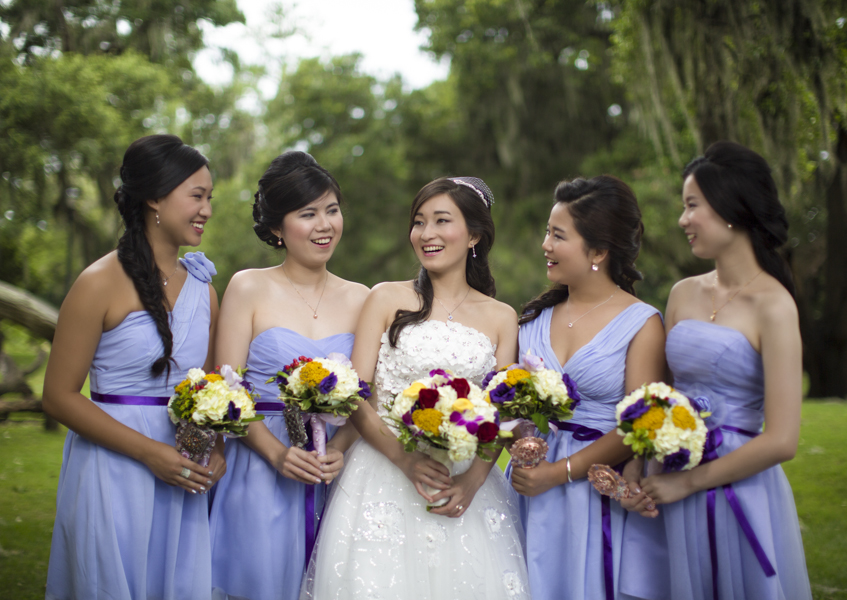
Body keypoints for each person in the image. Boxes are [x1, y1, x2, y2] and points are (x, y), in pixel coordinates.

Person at [300, 177, 530, 599]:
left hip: (463, 482)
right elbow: (355, 393)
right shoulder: (386, 298)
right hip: (382, 472)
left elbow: (504, 413)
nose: (427, 234)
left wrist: (473, 482)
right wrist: (404, 459)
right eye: (419, 222)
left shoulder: (501, 316)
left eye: (442, 221)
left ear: (475, 234)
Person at [620, 141, 812, 600]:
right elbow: (660, 395)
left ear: (731, 209)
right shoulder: (683, 293)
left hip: (733, 485)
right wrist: (637, 463)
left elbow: (783, 439)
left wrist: (687, 483)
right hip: (666, 471)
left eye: (693, 206)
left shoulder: (775, 306)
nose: (683, 219)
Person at [43, 134, 220, 600]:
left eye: (209, 198)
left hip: (183, 469)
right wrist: (147, 452)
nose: (206, 209)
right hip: (112, 467)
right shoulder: (98, 283)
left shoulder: (204, 289)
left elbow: (210, 388)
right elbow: (58, 396)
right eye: (196, 196)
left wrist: (216, 447)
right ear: (155, 198)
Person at [208, 151, 367, 600]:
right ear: (277, 227)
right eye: (308, 214)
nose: (325, 225)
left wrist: (339, 447)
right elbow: (226, 389)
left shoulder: (363, 299)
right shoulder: (248, 286)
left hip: (332, 474)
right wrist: (278, 455)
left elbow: (368, 393)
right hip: (260, 467)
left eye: (332, 210)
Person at [507, 176, 666, 600]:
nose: (545, 245)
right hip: (523, 482)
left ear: (598, 251)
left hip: (590, 490)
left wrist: (557, 474)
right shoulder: (533, 319)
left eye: (558, 235)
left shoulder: (642, 323)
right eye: (547, 232)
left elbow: (640, 427)